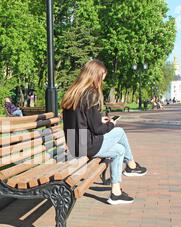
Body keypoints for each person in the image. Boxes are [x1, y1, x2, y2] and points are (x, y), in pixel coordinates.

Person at [62, 59, 147, 205]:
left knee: (119, 150)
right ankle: (131, 165)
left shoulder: (73, 93)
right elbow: (97, 129)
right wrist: (111, 124)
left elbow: (81, 120)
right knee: (119, 131)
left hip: (73, 143)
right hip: (85, 145)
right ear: (96, 76)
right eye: (102, 77)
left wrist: (99, 120)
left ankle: (116, 192)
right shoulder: (91, 94)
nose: (102, 80)